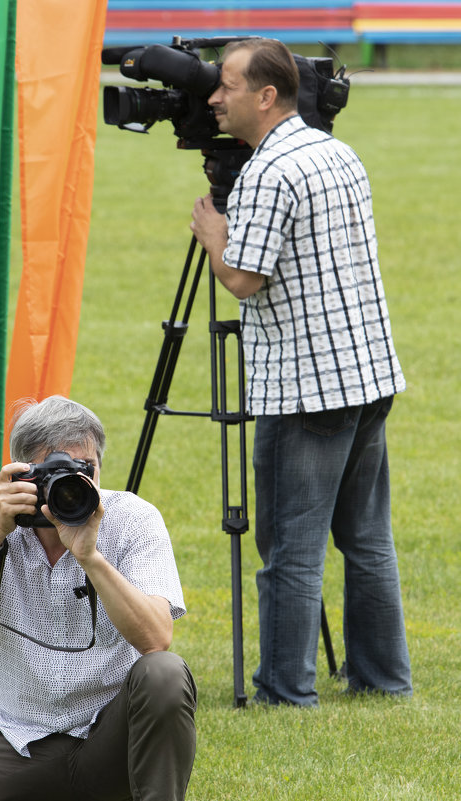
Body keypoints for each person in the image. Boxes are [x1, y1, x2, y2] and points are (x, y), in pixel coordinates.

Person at [190, 38, 412, 707]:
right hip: (367, 372)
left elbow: (243, 278)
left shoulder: (267, 172)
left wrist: (211, 235)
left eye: (225, 86)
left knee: (290, 545)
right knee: (366, 538)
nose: (211, 98)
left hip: (307, 386)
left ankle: (285, 689)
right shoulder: (334, 151)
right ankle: (381, 677)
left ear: (265, 96)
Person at [0, 396, 196, 800]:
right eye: (51, 475)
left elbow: (156, 638)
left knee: (165, 674)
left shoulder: (133, 519)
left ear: (99, 469)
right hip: (15, 740)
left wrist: (91, 556)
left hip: (110, 741)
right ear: (20, 474)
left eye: (82, 472)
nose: (69, 489)